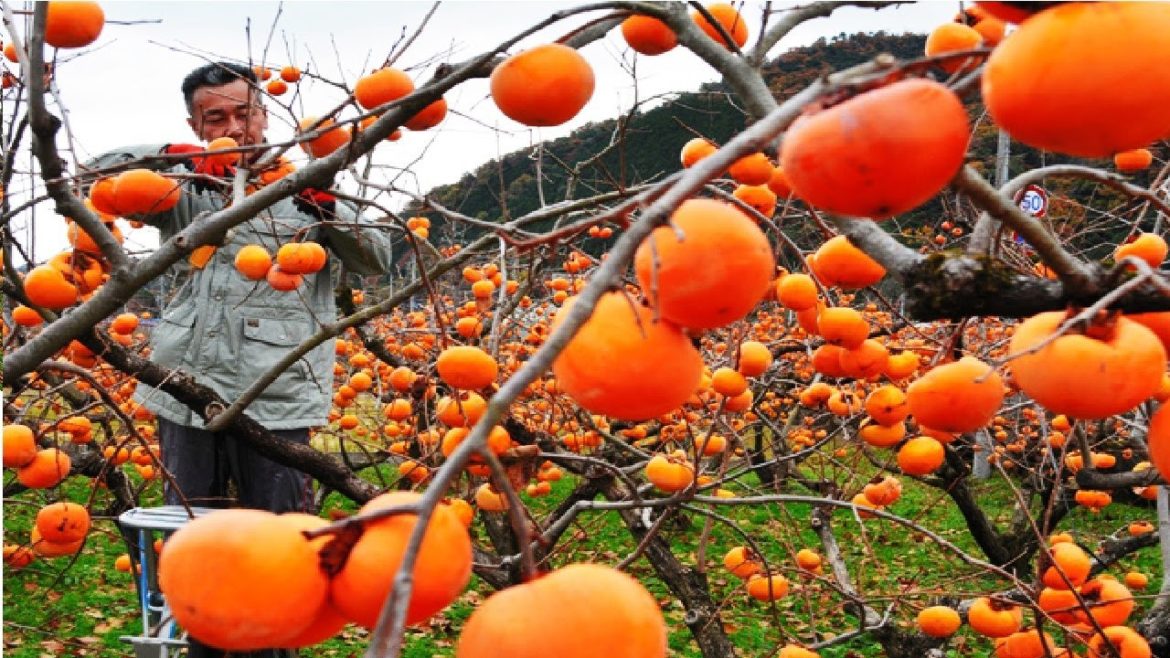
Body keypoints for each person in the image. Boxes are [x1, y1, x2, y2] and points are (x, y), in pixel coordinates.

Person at [86, 62, 395, 657]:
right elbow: (100, 175)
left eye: (244, 112)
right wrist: (176, 155)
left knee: (279, 547)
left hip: (277, 399)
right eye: (215, 118)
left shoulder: (310, 187)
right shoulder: (188, 191)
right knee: (194, 541)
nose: (235, 126)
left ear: (266, 112)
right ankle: (203, 642)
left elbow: (375, 256)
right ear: (197, 126)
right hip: (183, 388)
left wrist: (324, 200)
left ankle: (270, 645)